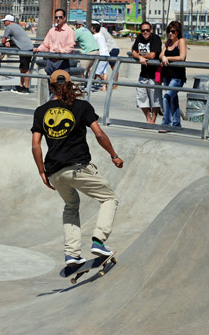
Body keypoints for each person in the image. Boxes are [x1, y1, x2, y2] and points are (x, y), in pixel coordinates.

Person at [31, 69, 123, 265]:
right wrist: (114, 155)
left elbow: (36, 146)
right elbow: (99, 134)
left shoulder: (41, 111)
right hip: (77, 167)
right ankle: (99, 240)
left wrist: (41, 171)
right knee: (109, 198)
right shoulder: (82, 106)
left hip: (54, 171)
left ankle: (72, 254)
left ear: (51, 86)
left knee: (71, 206)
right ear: (71, 85)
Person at [132, 21, 163, 123]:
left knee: (156, 98)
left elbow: (152, 55)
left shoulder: (156, 39)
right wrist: (140, 57)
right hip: (143, 74)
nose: (145, 32)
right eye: (143, 30)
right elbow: (134, 52)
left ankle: (153, 120)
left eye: (147, 30)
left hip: (156, 74)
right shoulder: (139, 38)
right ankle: (148, 119)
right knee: (141, 97)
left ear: (151, 30)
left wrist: (141, 56)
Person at [159, 21, 187, 131]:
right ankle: (176, 124)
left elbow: (182, 57)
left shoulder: (181, 41)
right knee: (173, 100)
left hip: (177, 76)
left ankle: (166, 123)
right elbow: (161, 54)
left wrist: (167, 58)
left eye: (173, 31)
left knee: (167, 97)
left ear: (178, 32)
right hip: (167, 75)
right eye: (169, 31)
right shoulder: (168, 43)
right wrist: (163, 57)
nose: (170, 34)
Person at [33, 8, 75, 75]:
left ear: (64, 18)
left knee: (61, 84)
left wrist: (60, 51)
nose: (58, 19)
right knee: (50, 83)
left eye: (60, 17)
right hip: (50, 61)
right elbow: (45, 45)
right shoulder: (52, 30)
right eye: (56, 17)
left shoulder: (69, 31)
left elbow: (70, 47)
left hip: (62, 61)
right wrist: (38, 49)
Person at [1, 14, 34, 94]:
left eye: (5, 21)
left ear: (8, 21)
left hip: (24, 49)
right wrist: (9, 42)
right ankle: (21, 85)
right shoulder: (17, 26)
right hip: (27, 48)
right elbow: (17, 38)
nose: (4, 22)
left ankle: (26, 88)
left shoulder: (9, 27)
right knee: (22, 68)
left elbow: (2, 40)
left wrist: (6, 42)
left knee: (25, 69)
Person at [98, 21, 120, 87]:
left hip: (112, 49)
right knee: (111, 67)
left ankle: (114, 84)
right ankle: (111, 83)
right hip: (112, 49)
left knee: (113, 67)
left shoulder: (101, 30)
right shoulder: (102, 29)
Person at [91, 21, 110, 91]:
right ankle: (104, 87)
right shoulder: (101, 35)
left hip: (101, 55)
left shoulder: (94, 36)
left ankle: (108, 83)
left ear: (93, 28)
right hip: (107, 54)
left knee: (97, 72)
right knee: (104, 71)